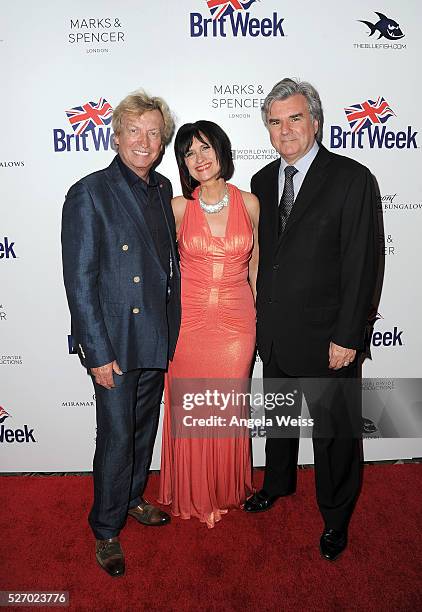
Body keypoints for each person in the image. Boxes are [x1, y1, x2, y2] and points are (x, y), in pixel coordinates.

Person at [244, 78, 377, 561]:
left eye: (294, 118)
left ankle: (336, 517)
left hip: (329, 339)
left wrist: (349, 334)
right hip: (276, 334)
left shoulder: (351, 177)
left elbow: (363, 263)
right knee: (279, 421)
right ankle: (276, 484)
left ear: (315, 121)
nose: (285, 131)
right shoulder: (261, 183)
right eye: (275, 122)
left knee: (335, 436)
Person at [61, 90, 181, 576]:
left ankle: (132, 497)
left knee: (142, 430)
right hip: (113, 342)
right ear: (116, 135)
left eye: (154, 133)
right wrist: (95, 350)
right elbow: (80, 280)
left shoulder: (162, 187)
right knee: (116, 437)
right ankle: (106, 528)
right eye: (135, 130)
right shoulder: (89, 192)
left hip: (155, 334)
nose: (144, 141)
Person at [158, 121, 259, 528]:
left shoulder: (250, 203)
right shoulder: (179, 207)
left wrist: (262, 320)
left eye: (204, 149)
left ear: (221, 150)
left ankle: (223, 488)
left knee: (226, 409)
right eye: (188, 153)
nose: (198, 159)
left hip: (237, 324)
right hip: (189, 323)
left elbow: (255, 266)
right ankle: (194, 492)